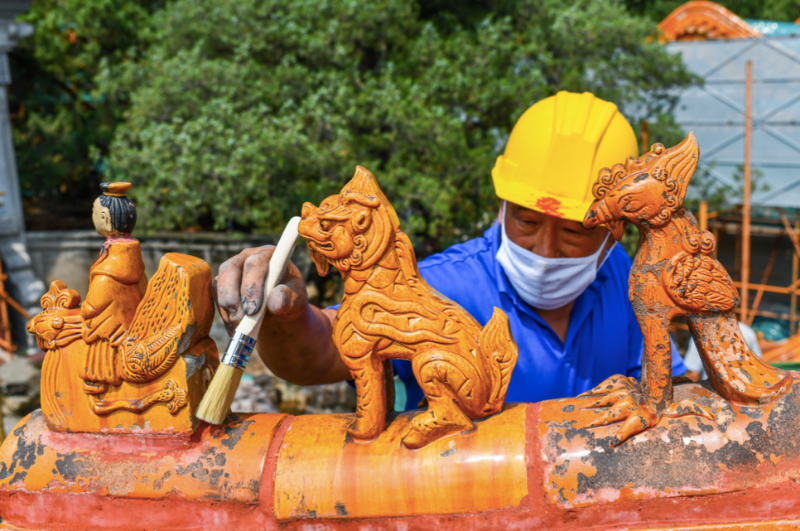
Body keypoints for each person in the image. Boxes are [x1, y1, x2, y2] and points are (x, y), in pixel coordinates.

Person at [214, 91, 686, 408]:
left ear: (617, 232)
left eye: (574, 233)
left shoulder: (627, 281)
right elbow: (323, 350)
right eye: (525, 220)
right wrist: (287, 320)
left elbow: (672, 385)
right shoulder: (444, 283)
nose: (545, 250)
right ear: (501, 205)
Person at [81, 182, 147, 394]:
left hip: (112, 330)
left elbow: (94, 304)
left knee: (93, 339)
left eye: (95, 211)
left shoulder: (110, 268)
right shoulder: (131, 255)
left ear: (106, 219)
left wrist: (86, 309)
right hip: (131, 322)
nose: (93, 215)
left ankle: (102, 383)